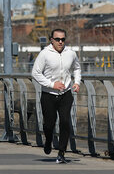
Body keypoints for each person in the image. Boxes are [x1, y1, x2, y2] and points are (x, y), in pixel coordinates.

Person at [31, 28, 81, 164]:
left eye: (63, 39)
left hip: (66, 94)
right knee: (49, 124)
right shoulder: (44, 54)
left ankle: (61, 153)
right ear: (51, 39)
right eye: (57, 39)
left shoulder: (70, 53)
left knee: (65, 121)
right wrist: (51, 84)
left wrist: (76, 82)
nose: (60, 42)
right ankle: (48, 140)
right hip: (49, 95)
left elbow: (77, 68)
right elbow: (35, 73)